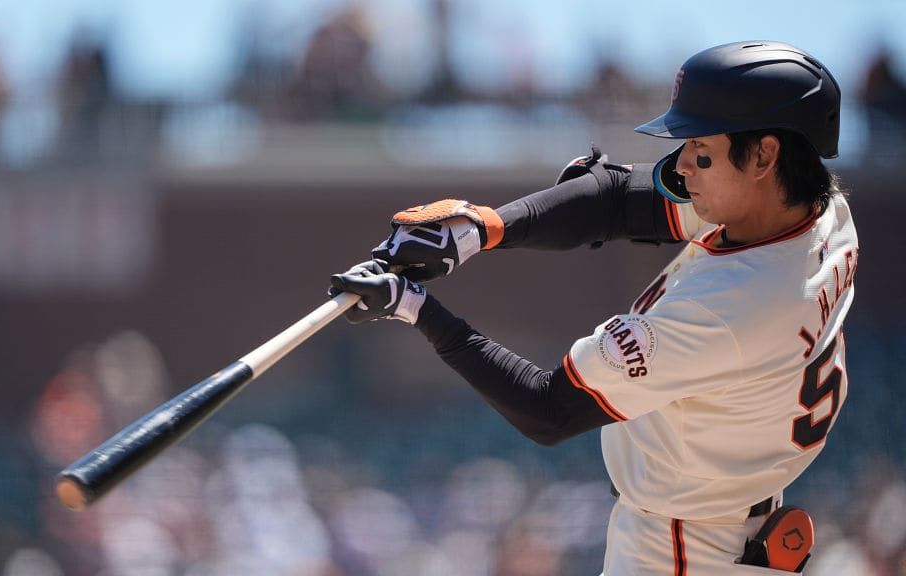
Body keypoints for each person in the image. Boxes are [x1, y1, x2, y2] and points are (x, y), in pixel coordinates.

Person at [329, 41, 856, 575]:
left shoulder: (732, 309)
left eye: (700, 148)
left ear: (765, 155)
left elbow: (547, 409)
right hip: (732, 525)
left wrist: (417, 310)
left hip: (685, 551)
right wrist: (480, 229)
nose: (682, 167)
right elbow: (616, 198)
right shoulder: (814, 211)